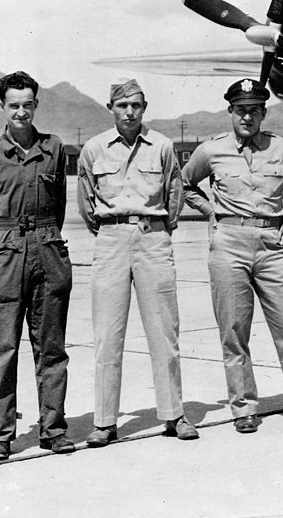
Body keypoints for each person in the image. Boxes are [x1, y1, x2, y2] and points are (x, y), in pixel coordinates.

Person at [181, 78, 283, 433]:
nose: (247, 117)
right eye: (241, 110)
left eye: (254, 111)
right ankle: (244, 407)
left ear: (263, 113)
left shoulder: (280, 148)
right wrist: (210, 212)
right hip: (229, 242)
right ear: (231, 112)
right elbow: (184, 184)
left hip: (271, 243)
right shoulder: (210, 150)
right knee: (234, 330)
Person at [77, 78, 198, 447]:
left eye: (137, 106)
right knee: (107, 334)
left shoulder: (161, 146)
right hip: (111, 240)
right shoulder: (93, 149)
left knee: (164, 331)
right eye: (122, 106)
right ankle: (105, 422)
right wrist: (112, 231)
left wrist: (158, 230)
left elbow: (174, 194)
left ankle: (174, 414)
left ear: (144, 108)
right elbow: (86, 200)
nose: (130, 112)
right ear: (111, 108)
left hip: (153, 238)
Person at [0, 70, 74, 461]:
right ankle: (1, 435)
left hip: (47, 252)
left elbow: (59, 206)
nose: (21, 111)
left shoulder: (54, 148)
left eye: (27, 104)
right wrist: (4, 246)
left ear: (36, 104)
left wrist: (40, 239)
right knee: (4, 350)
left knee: (51, 348)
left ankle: (54, 429)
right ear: (3, 107)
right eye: (13, 105)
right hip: (3, 256)